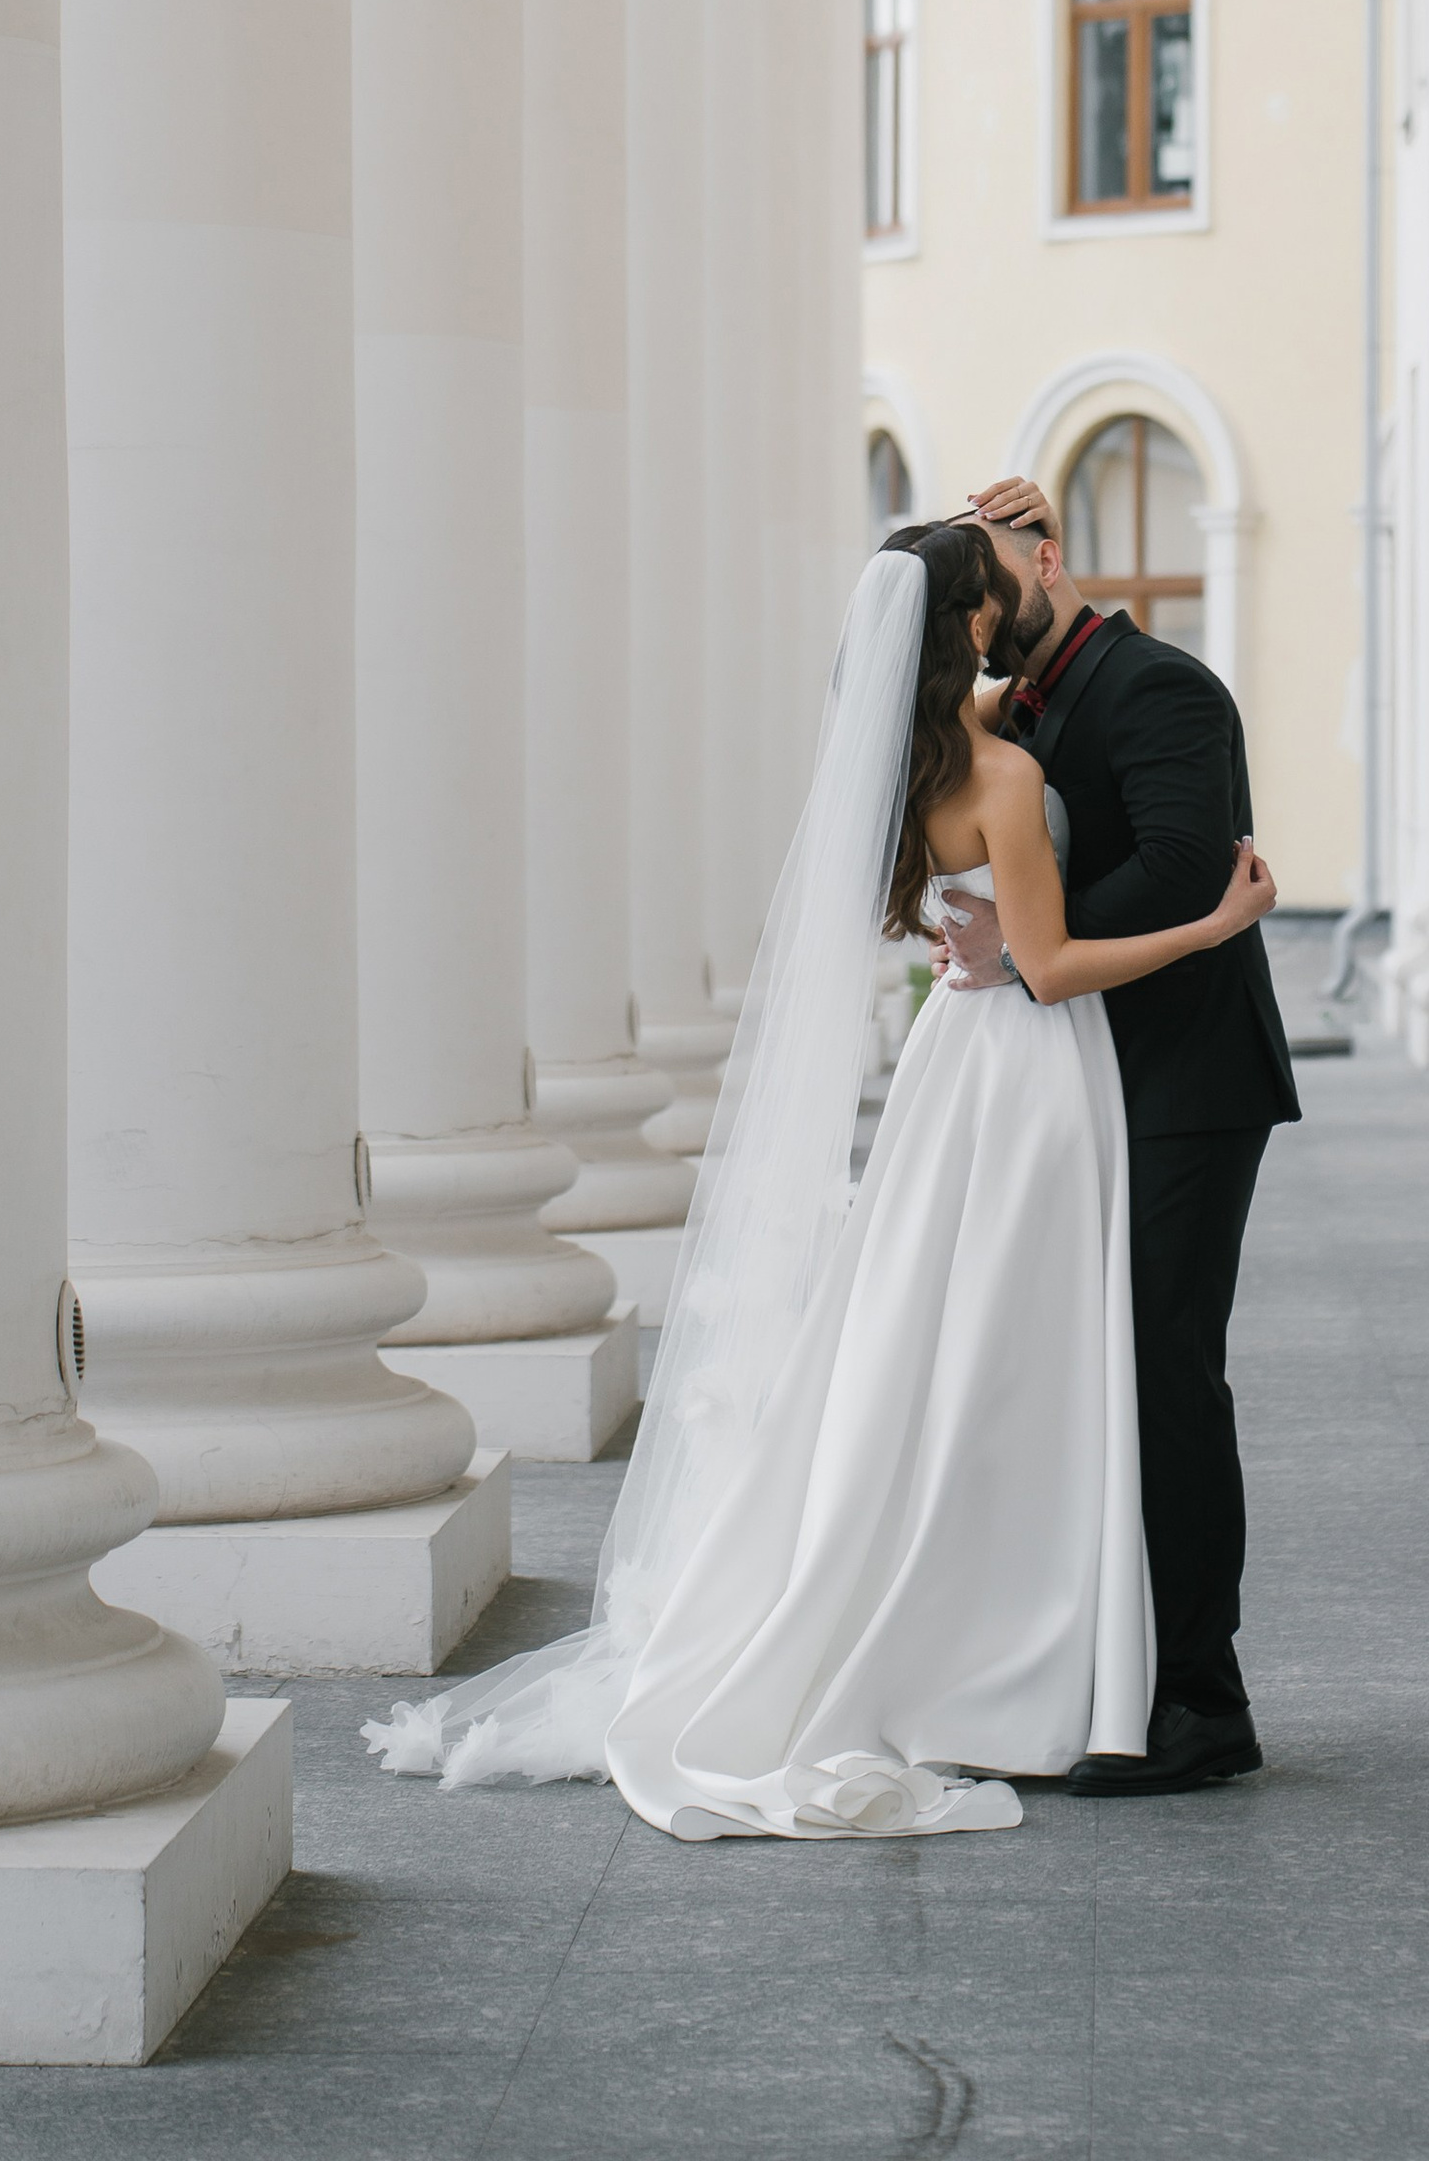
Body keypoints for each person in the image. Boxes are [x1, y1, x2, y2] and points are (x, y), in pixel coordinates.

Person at [363, 524, 1275, 1838]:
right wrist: (1217, 925)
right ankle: (1046, 1658)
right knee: (1036, 1353)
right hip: (1030, 1073)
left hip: (954, 1065)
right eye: (986, 597)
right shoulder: (1007, 773)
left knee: (955, 1346)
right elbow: (1053, 962)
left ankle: (989, 1641)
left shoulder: (915, 773)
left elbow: (966, 934)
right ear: (964, 626)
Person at [940, 476, 1300, 1797]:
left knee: (1163, 1377)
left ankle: (1205, 1701)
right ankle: (1112, 1678)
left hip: (1187, 1083)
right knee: (1101, 1379)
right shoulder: (1017, 703)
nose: (982, 620)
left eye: (992, 586)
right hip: (1085, 1080)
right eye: (966, 607)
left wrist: (1026, 943)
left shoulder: (1162, 689)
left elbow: (1185, 867)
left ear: (1048, 557)